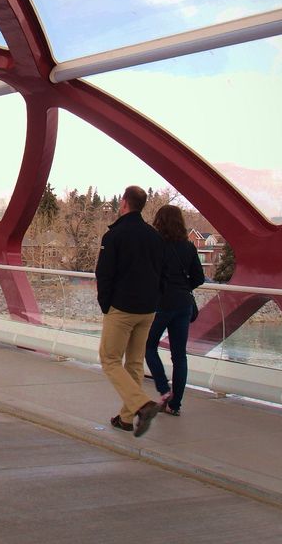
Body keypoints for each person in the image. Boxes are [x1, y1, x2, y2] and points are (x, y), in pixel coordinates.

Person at [95, 185, 164, 437]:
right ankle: (126, 419)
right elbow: (160, 272)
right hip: (148, 309)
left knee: (110, 359)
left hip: (122, 307)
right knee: (134, 362)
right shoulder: (155, 236)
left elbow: (104, 274)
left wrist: (106, 304)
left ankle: (141, 404)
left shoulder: (114, 236)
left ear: (123, 203)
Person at [144, 205, 206, 417]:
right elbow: (199, 278)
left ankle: (163, 389)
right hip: (183, 305)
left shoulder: (155, 245)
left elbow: (149, 275)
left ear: (159, 221)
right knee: (179, 357)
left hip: (161, 305)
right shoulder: (188, 247)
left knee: (148, 346)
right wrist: (183, 286)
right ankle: (175, 405)